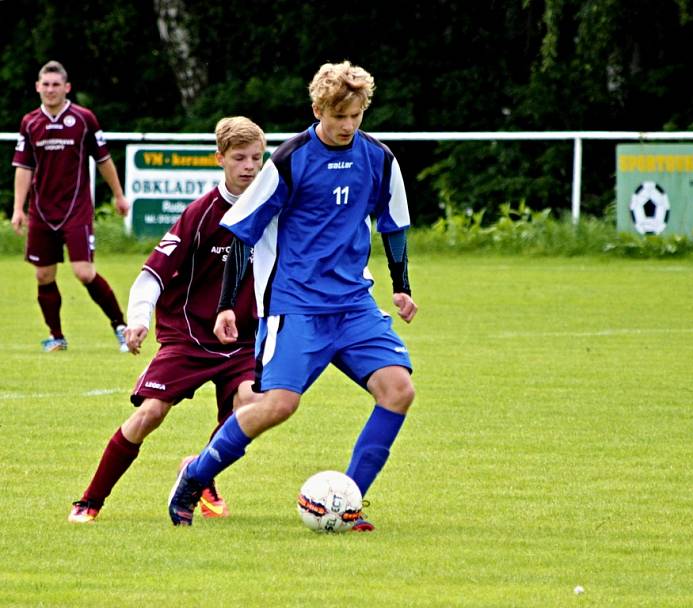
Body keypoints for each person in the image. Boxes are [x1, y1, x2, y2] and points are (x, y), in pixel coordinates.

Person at [168, 60, 418, 531]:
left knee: (398, 390)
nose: (347, 125)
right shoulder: (288, 160)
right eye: (338, 115)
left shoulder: (380, 159)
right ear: (318, 108)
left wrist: (401, 288)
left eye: (356, 115)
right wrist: (226, 303)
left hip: (354, 305)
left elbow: (395, 225)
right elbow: (242, 231)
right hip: (296, 306)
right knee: (278, 405)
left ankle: (348, 502)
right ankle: (194, 475)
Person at [68, 116, 266, 523]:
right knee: (151, 413)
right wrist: (138, 319)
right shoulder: (201, 213)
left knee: (253, 405)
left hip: (242, 340)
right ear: (220, 159)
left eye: (257, 158)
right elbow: (153, 272)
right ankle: (90, 500)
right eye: (240, 158)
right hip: (189, 335)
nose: (249, 166)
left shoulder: (271, 209)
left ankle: (199, 475)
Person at [11, 60, 130, 353]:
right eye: (45, 85)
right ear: (38, 87)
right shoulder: (30, 122)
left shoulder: (84, 119)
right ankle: (56, 337)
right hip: (41, 210)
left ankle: (120, 326)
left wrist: (118, 195)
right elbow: (24, 168)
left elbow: (103, 160)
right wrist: (18, 208)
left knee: (84, 272)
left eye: (56, 85)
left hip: (76, 209)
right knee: (43, 275)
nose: (50, 90)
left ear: (67, 88)